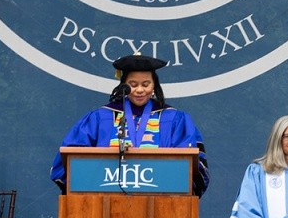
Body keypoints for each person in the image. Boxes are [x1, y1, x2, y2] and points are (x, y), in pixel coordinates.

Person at [51, 55, 209, 196]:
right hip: (101, 204)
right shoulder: (101, 117)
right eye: (133, 84)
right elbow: (73, 161)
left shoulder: (173, 118)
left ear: (154, 85)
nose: (140, 90)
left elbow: (191, 167)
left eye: (146, 84)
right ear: (123, 86)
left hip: (163, 205)